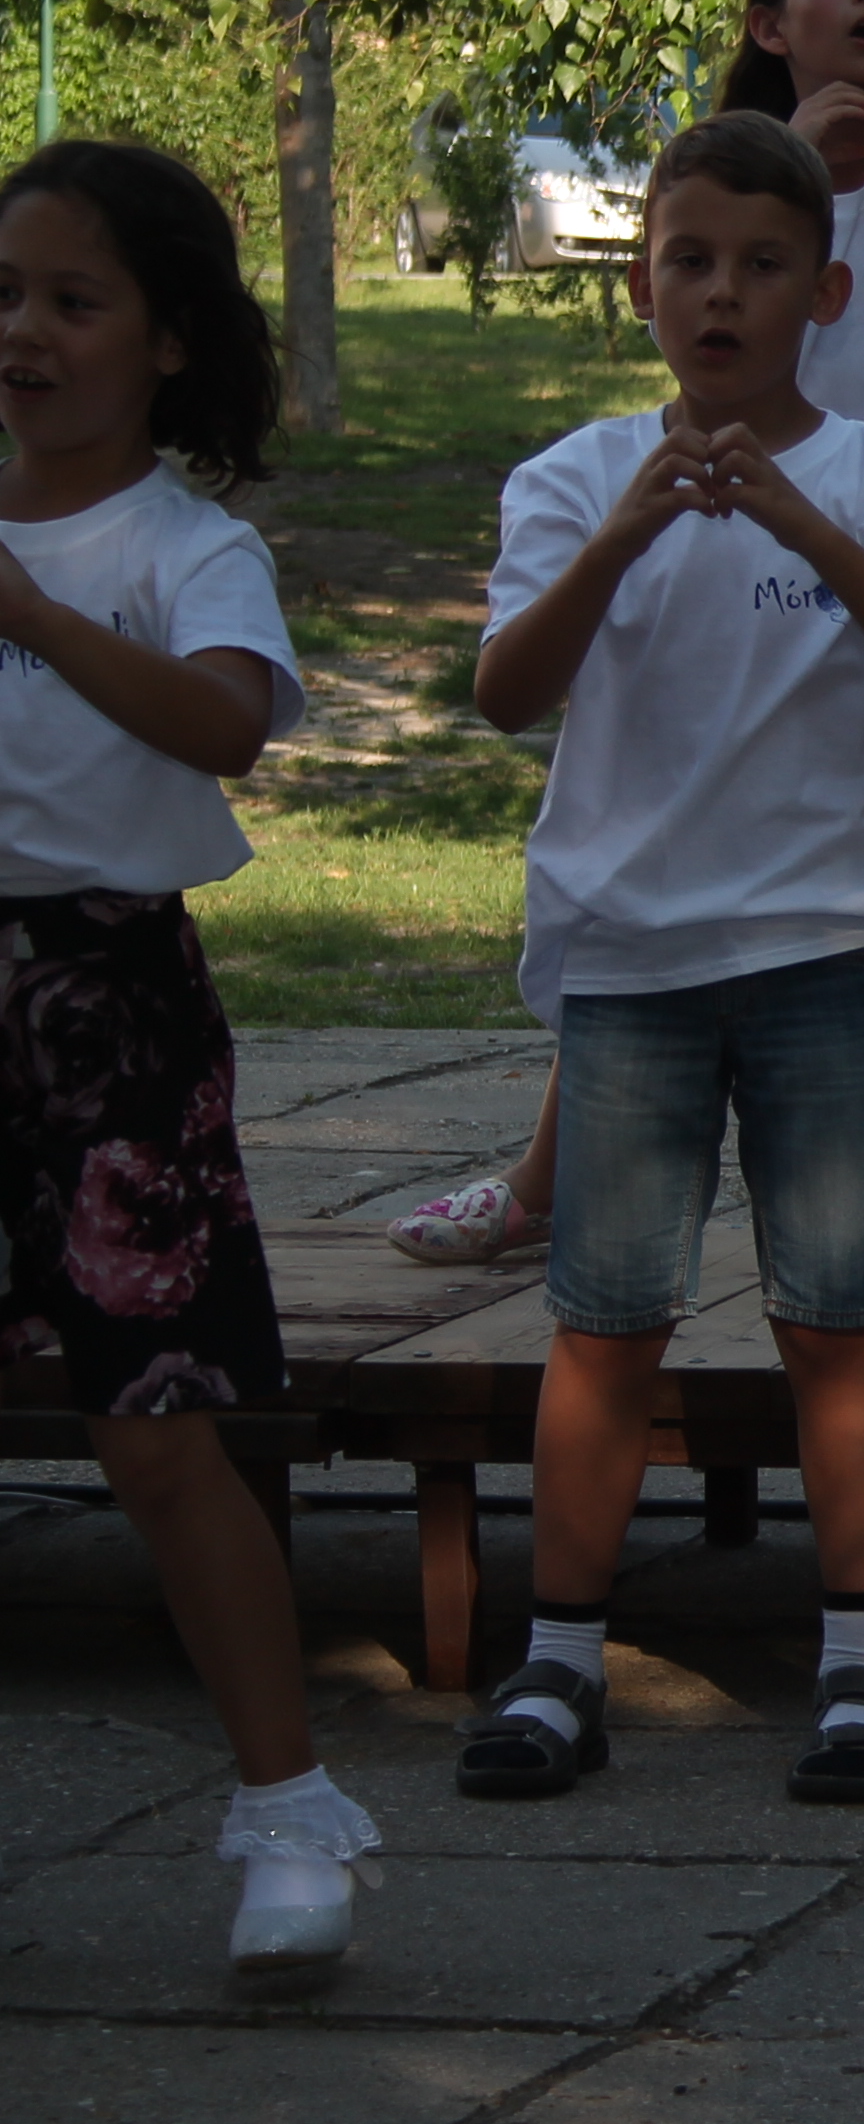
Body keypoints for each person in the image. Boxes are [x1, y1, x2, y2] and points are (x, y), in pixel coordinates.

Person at [391, 0, 864, 1278]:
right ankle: (549, 1176)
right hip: (724, 550)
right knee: (665, 867)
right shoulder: (733, 178)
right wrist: (798, 169)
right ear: (771, 21)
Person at [455, 111, 864, 1807]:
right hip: (630, 964)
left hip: (825, 954)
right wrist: (624, 535)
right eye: (688, 261)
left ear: (823, 294)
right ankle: (558, 1659)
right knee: (604, 1323)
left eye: (763, 266)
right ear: (642, 284)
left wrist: (807, 531)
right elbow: (506, 692)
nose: (721, 295)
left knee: (834, 1318)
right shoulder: (573, 478)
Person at [1, 142, 386, 1973]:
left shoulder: (183, 547)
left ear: (165, 341)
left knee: (159, 1434)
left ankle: (289, 1811)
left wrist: (32, 614)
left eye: (72, 301)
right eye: (4, 295)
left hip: (112, 1015)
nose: (25, 331)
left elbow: (228, 724)